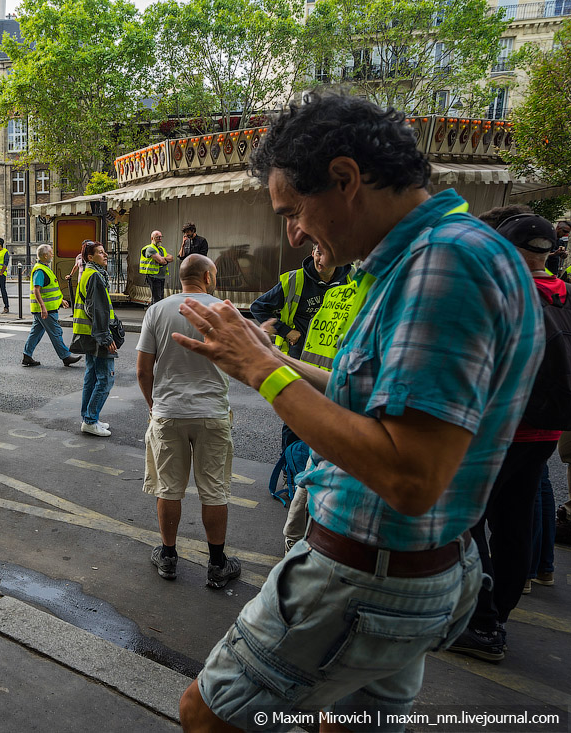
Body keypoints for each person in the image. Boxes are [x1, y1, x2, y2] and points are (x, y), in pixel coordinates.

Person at [174, 94, 541, 732]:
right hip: (407, 574)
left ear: (345, 179)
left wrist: (264, 372)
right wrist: (268, 358)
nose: (292, 234)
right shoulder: (437, 254)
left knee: (209, 716)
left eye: (293, 212)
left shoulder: (443, 265)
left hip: (364, 576)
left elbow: (409, 476)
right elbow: (376, 403)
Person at [446, 210, 564, 662]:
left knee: (467, 522)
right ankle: (500, 615)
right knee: (517, 523)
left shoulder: (502, 294)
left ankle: (481, 621)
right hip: (544, 430)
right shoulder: (564, 294)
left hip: (496, 428)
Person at [137, 254, 240, 589]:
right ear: (208, 277)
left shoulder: (157, 310)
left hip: (169, 413)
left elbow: (143, 369)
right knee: (214, 490)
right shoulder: (223, 310)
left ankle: (168, 556)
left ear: (180, 278)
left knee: (168, 488)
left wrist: (155, 405)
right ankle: (217, 563)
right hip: (212, 413)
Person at [280, 257, 368, 551]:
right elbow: (261, 307)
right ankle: (295, 531)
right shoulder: (303, 283)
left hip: (340, 403)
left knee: (315, 467)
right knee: (301, 443)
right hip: (317, 379)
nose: (318, 255)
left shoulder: (363, 288)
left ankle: (301, 539)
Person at [250, 244, 351, 360]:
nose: (322, 260)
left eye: (328, 255)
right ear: (312, 253)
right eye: (319, 253)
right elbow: (258, 307)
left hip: (337, 355)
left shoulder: (351, 279)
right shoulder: (295, 280)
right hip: (300, 356)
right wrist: (286, 331)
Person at [72, 240, 120, 437]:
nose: (105, 254)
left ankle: (89, 417)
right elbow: (97, 310)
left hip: (88, 334)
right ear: (90, 258)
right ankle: (90, 420)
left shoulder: (89, 273)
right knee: (105, 379)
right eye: (100, 252)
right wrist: (106, 338)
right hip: (96, 335)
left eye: (104, 251)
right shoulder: (95, 277)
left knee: (91, 377)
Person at [21, 244, 82, 368]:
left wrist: (60, 300)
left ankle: (27, 355)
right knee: (56, 333)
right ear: (45, 255)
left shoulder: (44, 268)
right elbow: (36, 290)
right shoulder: (40, 270)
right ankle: (65, 356)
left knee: (36, 333)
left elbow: (50, 290)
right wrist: (43, 307)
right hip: (46, 310)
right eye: (51, 252)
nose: (52, 254)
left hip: (45, 309)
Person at [140, 230, 174, 305]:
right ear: (152, 238)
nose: (160, 239)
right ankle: (154, 315)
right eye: (157, 237)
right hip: (153, 277)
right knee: (157, 299)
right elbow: (161, 261)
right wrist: (164, 259)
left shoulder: (161, 249)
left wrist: (164, 259)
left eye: (161, 237)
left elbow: (171, 258)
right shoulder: (150, 249)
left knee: (159, 298)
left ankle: (151, 314)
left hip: (161, 276)